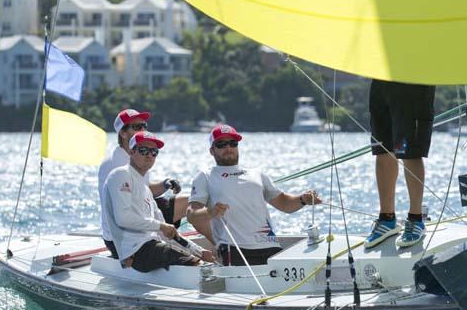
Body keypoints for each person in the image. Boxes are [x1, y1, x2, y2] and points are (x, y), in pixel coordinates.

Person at [187, 124, 322, 266]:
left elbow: (284, 204)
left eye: (233, 143)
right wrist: (211, 211)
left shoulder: (257, 174)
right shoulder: (205, 177)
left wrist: (303, 199)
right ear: (212, 150)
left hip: (270, 246)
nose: (228, 148)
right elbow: (191, 214)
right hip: (234, 248)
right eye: (221, 144)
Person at [98, 108, 212, 259]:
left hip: (139, 216)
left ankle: (220, 246)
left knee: (192, 202)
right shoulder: (116, 163)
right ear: (123, 133)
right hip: (121, 236)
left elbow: (144, 190)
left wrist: (165, 184)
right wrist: (162, 228)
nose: (142, 130)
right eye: (137, 127)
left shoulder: (138, 154)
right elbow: (125, 213)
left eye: (144, 126)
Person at [364, 80, 435, 249]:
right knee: (382, 150)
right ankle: (387, 219)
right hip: (381, 78)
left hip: (412, 78)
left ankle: (416, 219)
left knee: (409, 153)